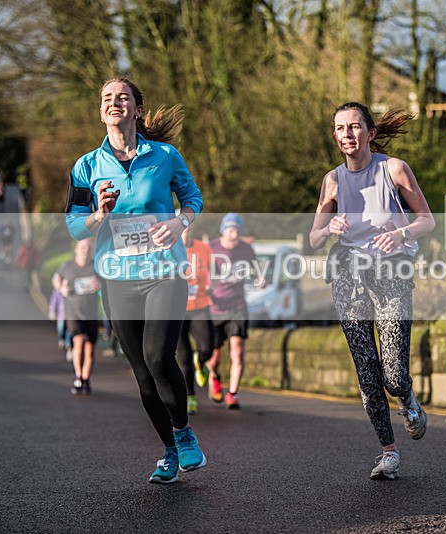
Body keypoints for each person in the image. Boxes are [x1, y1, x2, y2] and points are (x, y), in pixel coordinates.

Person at [65, 76, 206, 484]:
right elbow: (74, 225)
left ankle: (184, 433)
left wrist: (179, 224)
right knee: (142, 372)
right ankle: (169, 451)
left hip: (164, 271)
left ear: (137, 109)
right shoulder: (86, 166)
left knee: (159, 356)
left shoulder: (165, 156)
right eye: (107, 98)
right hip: (117, 277)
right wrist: (99, 215)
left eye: (123, 97)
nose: (114, 103)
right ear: (101, 111)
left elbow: (193, 199)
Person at [309, 102, 436, 481]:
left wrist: (400, 233)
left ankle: (407, 399)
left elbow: (427, 220)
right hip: (348, 273)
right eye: (340, 128)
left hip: (391, 271)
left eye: (354, 126)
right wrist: (329, 229)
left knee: (393, 374)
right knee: (366, 369)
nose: (346, 134)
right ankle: (389, 452)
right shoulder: (332, 180)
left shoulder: (393, 169)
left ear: (370, 133)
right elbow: (314, 238)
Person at [205, 213, 265, 410]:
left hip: (238, 307)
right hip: (216, 307)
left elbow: (257, 272)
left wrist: (260, 280)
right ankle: (214, 376)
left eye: (237, 230)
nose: (234, 234)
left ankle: (233, 394)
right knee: (213, 358)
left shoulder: (246, 249)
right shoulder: (211, 248)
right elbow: (201, 271)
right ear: (223, 230)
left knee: (237, 351)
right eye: (230, 230)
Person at [176, 225, 215, 414]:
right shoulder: (167, 249)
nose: (185, 231)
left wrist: (212, 284)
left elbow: (214, 272)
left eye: (187, 227)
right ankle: (190, 396)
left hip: (200, 305)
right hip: (176, 309)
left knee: (207, 348)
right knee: (184, 356)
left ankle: (200, 361)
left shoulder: (203, 249)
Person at [56, 240, 101, 395]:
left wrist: (99, 285)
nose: (85, 250)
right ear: (76, 249)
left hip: (91, 314)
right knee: (79, 340)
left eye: (88, 248)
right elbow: (56, 279)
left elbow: (106, 283)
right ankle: (78, 376)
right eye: (82, 247)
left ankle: (86, 379)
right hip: (73, 313)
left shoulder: (96, 267)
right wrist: (61, 288)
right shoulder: (67, 266)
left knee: (89, 349)